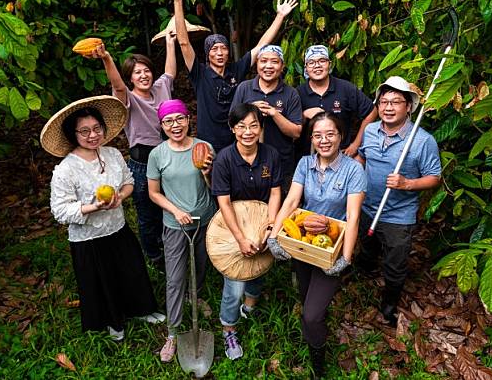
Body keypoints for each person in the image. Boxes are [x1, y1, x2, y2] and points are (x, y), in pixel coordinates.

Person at [43, 96, 164, 341]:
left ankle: (141, 310)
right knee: (101, 279)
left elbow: (129, 182)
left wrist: (120, 197)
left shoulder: (111, 154)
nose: (92, 135)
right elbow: (60, 211)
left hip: (117, 228)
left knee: (131, 270)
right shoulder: (66, 169)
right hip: (89, 238)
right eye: (85, 131)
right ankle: (112, 321)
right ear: (73, 134)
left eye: (97, 128)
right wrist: (93, 207)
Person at [267, 112, 366, 378]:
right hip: (305, 242)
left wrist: (345, 259)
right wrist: (275, 236)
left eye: (330, 134)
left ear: (340, 136)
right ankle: (316, 326)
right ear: (311, 139)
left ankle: (318, 364)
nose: (324, 141)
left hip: (331, 245)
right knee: (306, 296)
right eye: (318, 135)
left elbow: (353, 216)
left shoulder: (353, 169)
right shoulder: (304, 164)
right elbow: (291, 202)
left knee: (310, 315)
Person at [160, 0, 297, 152]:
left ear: (228, 51)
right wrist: (178, 2)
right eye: (214, 49)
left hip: (237, 139)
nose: (219, 53)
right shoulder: (199, 73)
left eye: (223, 48)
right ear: (207, 54)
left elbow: (261, 46)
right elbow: (184, 43)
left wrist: (280, 16)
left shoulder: (236, 69)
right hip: (208, 142)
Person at [356, 76, 441, 326]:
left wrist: (407, 184)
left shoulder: (423, 141)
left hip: (398, 215)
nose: (388, 107)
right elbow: (362, 158)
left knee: (395, 262)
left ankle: (389, 304)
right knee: (367, 242)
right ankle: (365, 270)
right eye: (383, 102)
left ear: (409, 107)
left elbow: (434, 177)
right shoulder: (370, 131)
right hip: (367, 206)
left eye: (395, 102)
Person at [86, 33, 177, 266]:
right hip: (143, 163)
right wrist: (106, 58)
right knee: (148, 215)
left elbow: (170, 72)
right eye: (137, 72)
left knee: (171, 207)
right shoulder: (127, 100)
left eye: (146, 70)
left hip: (169, 158)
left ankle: (173, 249)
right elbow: (117, 85)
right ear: (131, 78)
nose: (143, 75)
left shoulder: (161, 88)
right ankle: (155, 257)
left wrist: (169, 43)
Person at [146, 99, 216, 362]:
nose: (175, 125)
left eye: (180, 119)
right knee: (175, 279)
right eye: (168, 121)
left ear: (189, 120)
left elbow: (214, 187)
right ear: (162, 125)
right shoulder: (158, 155)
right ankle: (173, 332)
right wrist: (175, 211)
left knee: (200, 266)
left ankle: (195, 297)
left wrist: (208, 172)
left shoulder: (204, 148)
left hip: (204, 220)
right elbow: (153, 193)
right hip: (176, 225)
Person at [211, 103, 282, 360]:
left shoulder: (271, 155)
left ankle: (250, 305)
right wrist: (240, 238)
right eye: (241, 126)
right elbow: (223, 201)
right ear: (232, 129)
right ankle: (228, 327)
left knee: (260, 263)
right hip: (233, 226)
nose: (248, 131)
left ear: (261, 128)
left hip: (262, 221)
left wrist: (271, 225)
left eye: (253, 125)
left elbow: (275, 192)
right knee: (235, 284)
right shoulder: (224, 160)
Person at [230, 45, 302, 193]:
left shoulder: (291, 93)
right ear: (257, 63)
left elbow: (296, 132)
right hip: (246, 162)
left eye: (274, 62)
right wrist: (250, 109)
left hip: (281, 163)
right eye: (264, 61)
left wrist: (275, 114)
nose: (268, 66)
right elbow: (231, 123)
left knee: (279, 206)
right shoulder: (244, 88)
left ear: (282, 66)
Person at [296, 45, 377, 158]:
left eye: (322, 61)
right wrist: (304, 115)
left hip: (342, 157)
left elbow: (372, 112)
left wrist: (355, 144)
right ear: (306, 68)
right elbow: (292, 129)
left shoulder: (345, 88)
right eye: (311, 62)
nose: (317, 65)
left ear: (329, 64)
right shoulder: (297, 93)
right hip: (308, 159)